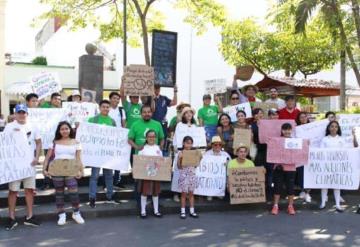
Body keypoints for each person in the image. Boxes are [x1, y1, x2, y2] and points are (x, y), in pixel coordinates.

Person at [4, 104, 42, 230]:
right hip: (14, 166)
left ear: (27, 113)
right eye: (19, 112)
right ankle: (11, 218)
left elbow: (38, 142)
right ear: (15, 114)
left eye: (23, 112)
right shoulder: (9, 126)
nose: (21, 114)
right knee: (13, 191)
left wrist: (36, 158)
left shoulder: (33, 126)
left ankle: (30, 217)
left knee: (29, 190)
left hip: (29, 164)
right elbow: (4, 145)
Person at [42, 121, 85, 225]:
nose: (65, 131)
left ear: (70, 129)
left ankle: (76, 213)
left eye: (66, 128)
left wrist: (81, 170)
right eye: (62, 129)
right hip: (57, 170)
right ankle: (61, 215)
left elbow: (78, 158)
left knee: (73, 192)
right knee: (59, 193)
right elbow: (47, 157)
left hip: (71, 169)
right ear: (59, 131)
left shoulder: (76, 142)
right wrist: (44, 169)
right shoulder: (54, 142)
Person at [319, 121, 357, 212]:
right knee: (324, 185)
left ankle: (337, 204)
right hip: (327, 165)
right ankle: (323, 202)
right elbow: (320, 152)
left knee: (337, 184)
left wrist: (354, 135)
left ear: (338, 128)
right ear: (329, 128)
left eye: (336, 126)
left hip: (338, 166)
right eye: (332, 126)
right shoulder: (324, 139)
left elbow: (346, 151)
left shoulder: (342, 139)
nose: (334, 128)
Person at [88, 100, 119, 208]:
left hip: (107, 154)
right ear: (100, 108)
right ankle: (92, 198)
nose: (105, 108)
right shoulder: (93, 119)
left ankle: (110, 196)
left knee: (109, 176)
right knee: (94, 176)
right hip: (96, 153)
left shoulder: (112, 121)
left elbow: (116, 136)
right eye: (103, 107)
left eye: (107, 107)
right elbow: (87, 134)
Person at [271, 123, 297, 216]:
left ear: (291, 130)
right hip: (279, 167)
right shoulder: (277, 141)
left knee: (290, 187)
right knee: (277, 186)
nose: (287, 131)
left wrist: (306, 145)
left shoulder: (295, 141)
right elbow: (272, 151)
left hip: (291, 167)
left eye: (288, 129)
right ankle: (275, 205)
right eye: (285, 129)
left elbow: (300, 152)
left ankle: (290, 206)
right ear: (282, 131)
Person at [138, 130, 163, 218]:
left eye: (153, 136)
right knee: (144, 192)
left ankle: (156, 211)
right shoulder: (142, 149)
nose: (151, 138)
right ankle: (143, 211)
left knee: (155, 192)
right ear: (146, 138)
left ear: (155, 138)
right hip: (145, 174)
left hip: (156, 174)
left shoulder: (158, 148)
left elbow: (161, 161)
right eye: (149, 136)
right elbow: (139, 162)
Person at [203, 136, 231, 201]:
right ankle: (209, 194)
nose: (218, 146)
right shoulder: (207, 154)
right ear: (212, 145)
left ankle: (218, 193)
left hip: (221, 176)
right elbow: (203, 166)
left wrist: (227, 164)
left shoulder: (225, 155)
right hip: (210, 174)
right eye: (215, 144)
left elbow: (230, 165)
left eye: (219, 144)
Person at [177, 136, 199, 219]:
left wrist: (198, 158)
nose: (189, 145)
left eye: (190, 143)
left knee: (191, 194)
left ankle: (192, 211)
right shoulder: (181, 152)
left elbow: (196, 165)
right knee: (183, 194)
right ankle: (182, 211)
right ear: (183, 143)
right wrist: (179, 159)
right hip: (184, 175)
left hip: (192, 175)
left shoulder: (194, 153)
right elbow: (178, 166)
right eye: (187, 143)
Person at [108, 92, 126, 188]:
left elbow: (124, 124)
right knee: (108, 160)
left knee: (118, 160)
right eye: (114, 98)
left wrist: (124, 135)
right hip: (108, 139)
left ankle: (117, 180)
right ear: (110, 99)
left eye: (118, 99)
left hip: (119, 139)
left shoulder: (121, 110)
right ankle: (107, 182)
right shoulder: (107, 109)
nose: (116, 100)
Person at [295, 112, 312, 203]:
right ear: (299, 119)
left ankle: (308, 192)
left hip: (311, 154)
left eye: (305, 116)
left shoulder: (313, 128)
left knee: (309, 173)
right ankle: (302, 190)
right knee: (301, 173)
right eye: (301, 117)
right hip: (300, 154)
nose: (303, 118)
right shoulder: (296, 129)